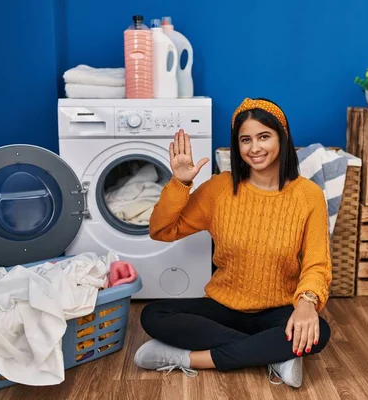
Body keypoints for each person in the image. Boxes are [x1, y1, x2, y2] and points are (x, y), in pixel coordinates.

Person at [133, 97, 332, 388]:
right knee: (153, 315)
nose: (254, 148)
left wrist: (306, 304)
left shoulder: (308, 195)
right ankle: (274, 355)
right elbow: (161, 230)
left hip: (279, 309)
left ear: (283, 137)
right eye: (245, 139)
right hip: (223, 308)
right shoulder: (219, 189)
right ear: (237, 146)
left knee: (320, 331)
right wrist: (180, 183)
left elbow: (317, 264)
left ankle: (188, 359)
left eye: (264, 136)